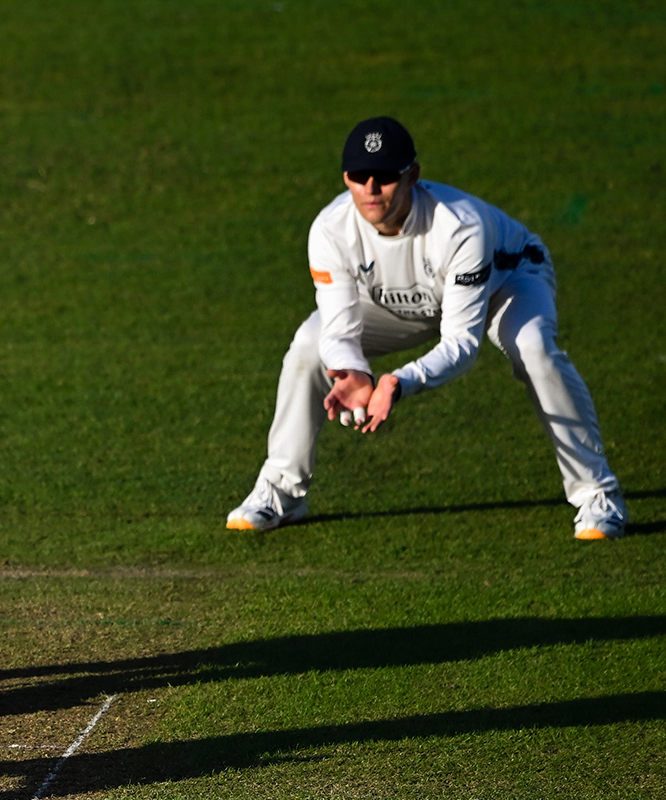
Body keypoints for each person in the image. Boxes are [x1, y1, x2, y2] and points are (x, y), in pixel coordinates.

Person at [226, 116, 627, 540]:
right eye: (360, 176)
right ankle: (282, 492)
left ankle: (598, 494)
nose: (371, 189)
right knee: (309, 345)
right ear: (346, 178)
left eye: (385, 176)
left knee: (532, 348)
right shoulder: (329, 230)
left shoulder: (459, 226)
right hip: (401, 301)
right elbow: (338, 327)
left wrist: (398, 382)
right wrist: (353, 372)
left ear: (413, 175)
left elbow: (461, 344)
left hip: (505, 281)